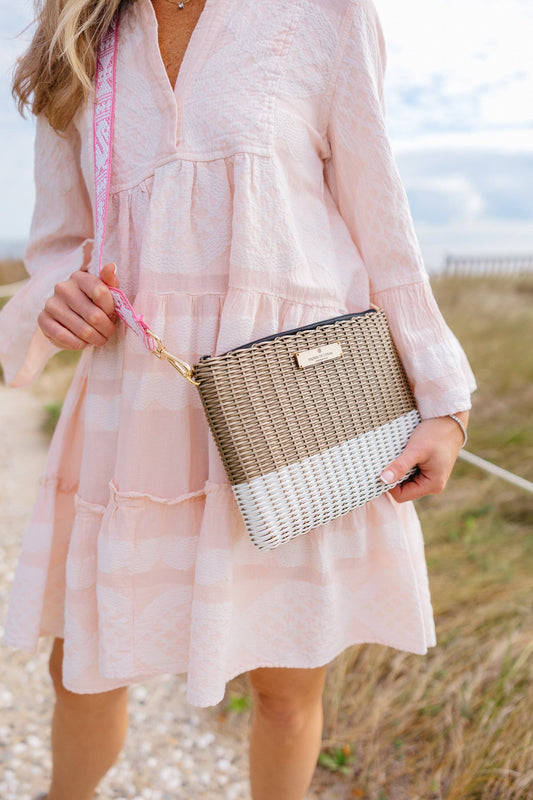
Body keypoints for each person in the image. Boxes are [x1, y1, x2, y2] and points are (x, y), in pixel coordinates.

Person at [0, 0, 476, 798]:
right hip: (136, 400)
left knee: (286, 687)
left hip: (290, 405)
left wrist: (445, 400)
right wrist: (56, 295)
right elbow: (58, 243)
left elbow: (380, 219)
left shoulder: (327, 14)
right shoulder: (76, 40)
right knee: (81, 664)